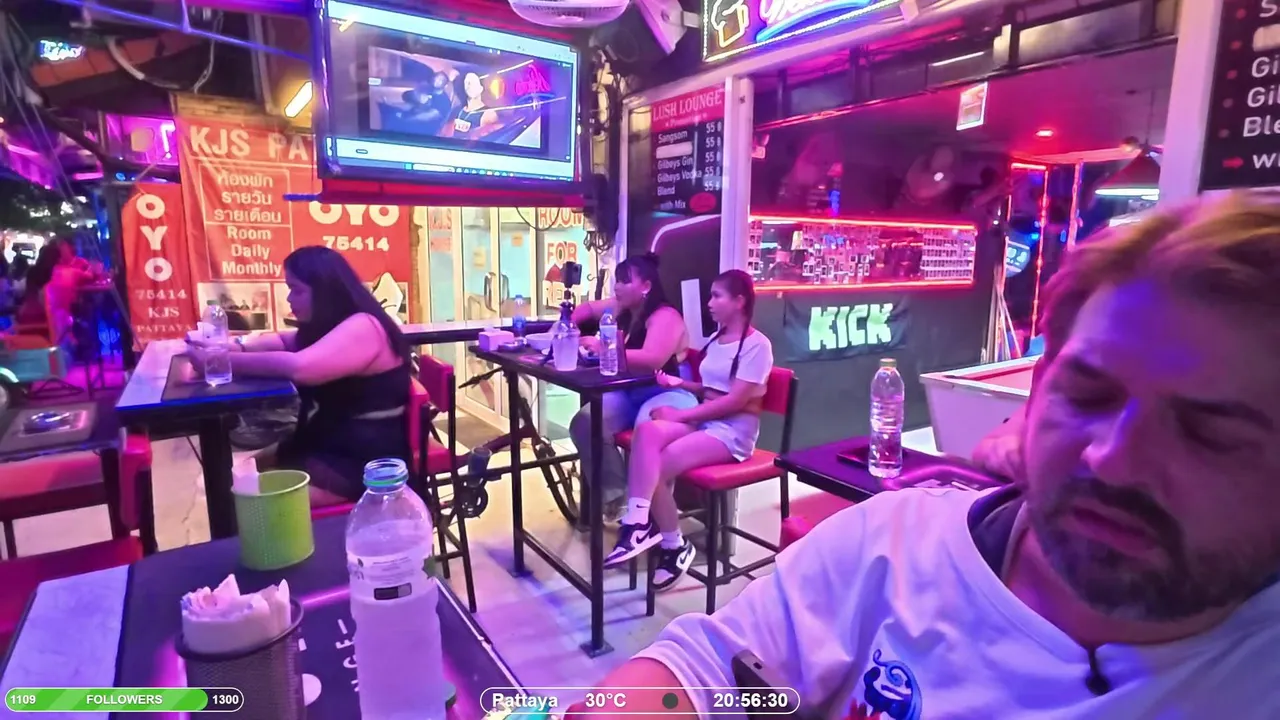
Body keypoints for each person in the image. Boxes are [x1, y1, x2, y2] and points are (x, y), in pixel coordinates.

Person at [579, 194, 1280, 718]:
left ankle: (653, 529)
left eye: (1211, 432)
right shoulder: (891, 543)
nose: (1115, 459)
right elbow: (704, 671)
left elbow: (740, 402)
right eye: (1088, 394)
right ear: (1038, 391)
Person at [187, 246, 411, 506]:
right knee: (233, 478)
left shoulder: (365, 326)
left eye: (297, 290)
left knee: (244, 498)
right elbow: (285, 341)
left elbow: (300, 368)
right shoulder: (331, 325)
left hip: (363, 459)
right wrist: (235, 347)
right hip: (332, 441)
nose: (290, 298)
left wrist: (219, 361)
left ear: (325, 290)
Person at [604, 270, 774, 591]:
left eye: (717, 296)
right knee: (648, 433)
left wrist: (682, 415)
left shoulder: (757, 346)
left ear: (739, 301)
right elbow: (710, 388)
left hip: (733, 433)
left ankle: (672, 544)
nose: (709, 303)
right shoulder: (717, 340)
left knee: (655, 466)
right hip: (707, 422)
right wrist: (680, 383)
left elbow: (734, 401)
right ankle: (638, 523)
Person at [570, 253, 693, 521]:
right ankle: (618, 498)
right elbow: (588, 309)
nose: (617, 287)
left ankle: (654, 518)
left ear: (646, 286)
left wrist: (603, 347)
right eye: (617, 280)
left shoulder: (665, 316)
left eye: (625, 281)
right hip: (631, 390)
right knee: (585, 422)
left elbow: (652, 359)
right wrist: (569, 323)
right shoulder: (623, 307)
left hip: (668, 392)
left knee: (646, 434)